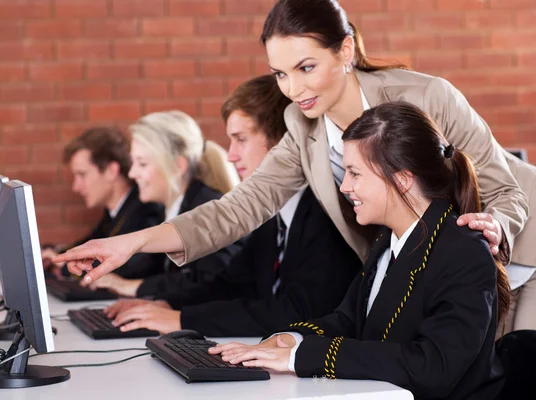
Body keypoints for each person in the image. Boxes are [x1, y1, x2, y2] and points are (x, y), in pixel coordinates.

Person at [53, 0, 535, 331]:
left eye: (306, 67)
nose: (295, 89)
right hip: (442, 272)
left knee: (509, 369)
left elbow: (506, 188)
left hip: (523, 254)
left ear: (345, 51)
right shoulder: (301, 123)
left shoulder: (428, 96)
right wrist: (131, 241)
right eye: (281, 74)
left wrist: (496, 226)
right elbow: (238, 209)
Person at [211, 102, 510, 400]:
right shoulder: (386, 240)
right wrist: (290, 339)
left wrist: (302, 357)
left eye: (355, 173)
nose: (344, 186)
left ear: (402, 180)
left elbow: (433, 367)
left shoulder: (463, 251)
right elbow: (350, 321)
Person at [101, 75, 362, 336]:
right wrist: (166, 305)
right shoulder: (274, 214)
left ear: (285, 143)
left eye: (241, 139)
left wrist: (182, 320)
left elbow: (298, 311)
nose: (231, 155)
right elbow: (231, 284)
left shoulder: (325, 214)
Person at [84, 111, 242, 297]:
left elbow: (211, 283)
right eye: (133, 163)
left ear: (177, 166)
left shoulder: (208, 209)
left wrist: (133, 287)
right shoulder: (168, 210)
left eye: (142, 164)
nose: (133, 173)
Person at [41, 126, 164, 279]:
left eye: (82, 174)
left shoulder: (146, 209)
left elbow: (134, 266)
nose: (76, 187)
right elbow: (88, 244)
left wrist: (65, 267)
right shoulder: (114, 212)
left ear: (111, 171)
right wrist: (56, 254)